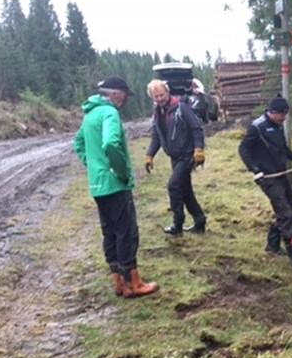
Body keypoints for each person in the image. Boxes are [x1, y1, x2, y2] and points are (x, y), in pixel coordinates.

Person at [73, 76, 159, 298]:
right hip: (114, 184)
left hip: (98, 184)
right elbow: (111, 143)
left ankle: (118, 281)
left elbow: (79, 143)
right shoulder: (109, 113)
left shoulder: (90, 113)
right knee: (127, 232)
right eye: (124, 97)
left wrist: (93, 165)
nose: (125, 101)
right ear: (114, 94)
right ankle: (133, 283)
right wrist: (119, 171)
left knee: (110, 232)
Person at [238, 95, 292, 268]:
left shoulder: (278, 127)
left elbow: (283, 150)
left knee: (291, 211)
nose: (284, 118)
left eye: (285, 114)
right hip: (267, 178)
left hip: (281, 174)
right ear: (273, 112)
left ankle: (272, 244)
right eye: (282, 114)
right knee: (287, 215)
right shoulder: (257, 127)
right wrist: (255, 170)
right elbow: (243, 149)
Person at [144, 79, 207, 235]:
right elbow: (157, 136)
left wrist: (199, 149)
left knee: (173, 185)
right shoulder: (158, 112)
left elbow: (196, 128)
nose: (159, 99)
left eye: (161, 95)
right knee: (185, 190)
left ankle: (177, 224)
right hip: (174, 156)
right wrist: (149, 154)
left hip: (187, 155)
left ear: (167, 92)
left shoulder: (181, 107)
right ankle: (199, 221)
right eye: (156, 97)